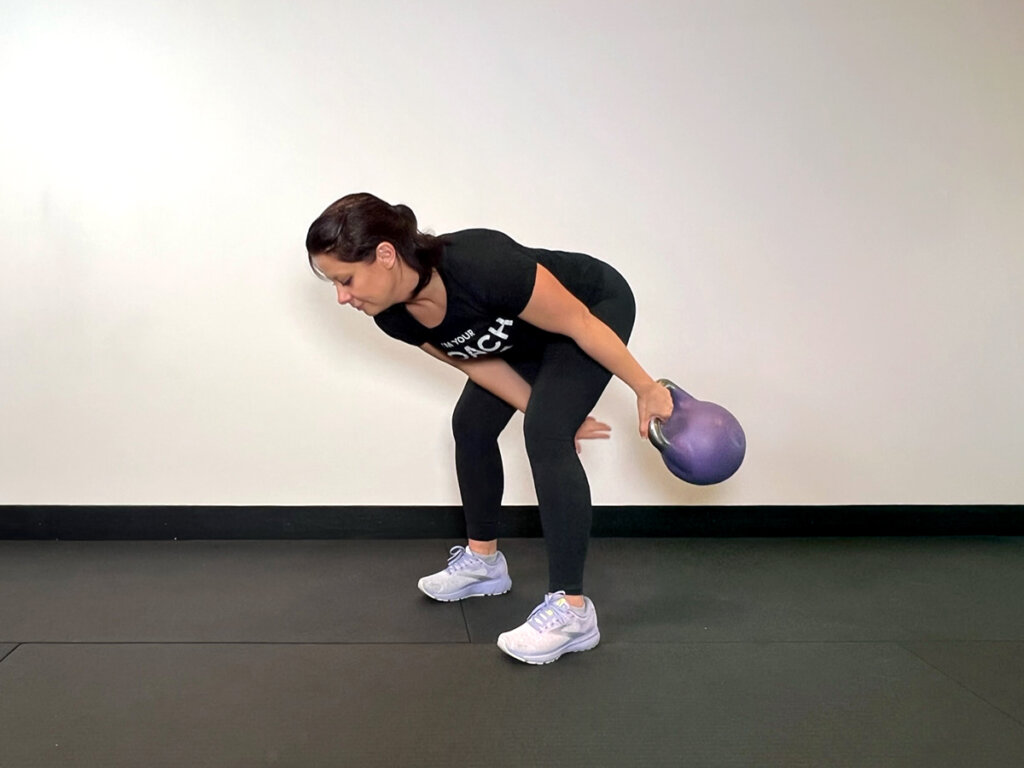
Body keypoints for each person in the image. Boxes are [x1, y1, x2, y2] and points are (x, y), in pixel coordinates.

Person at [305, 193, 673, 664]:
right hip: (520, 331)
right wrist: (548, 408)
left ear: (385, 254)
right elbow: (478, 366)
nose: (342, 297)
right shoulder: (392, 315)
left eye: (346, 279)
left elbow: (578, 322)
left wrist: (644, 387)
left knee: (545, 435)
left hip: (591, 306)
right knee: (473, 424)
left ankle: (573, 610)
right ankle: (484, 564)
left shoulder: (481, 263)